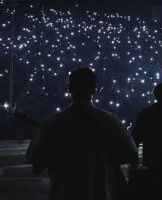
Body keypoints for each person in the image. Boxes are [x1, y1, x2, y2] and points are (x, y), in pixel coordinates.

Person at [26, 67, 138, 200]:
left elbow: (36, 161)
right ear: (94, 90)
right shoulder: (111, 122)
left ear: (69, 88)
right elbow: (132, 155)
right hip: (102, 194)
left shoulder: (52, 123)